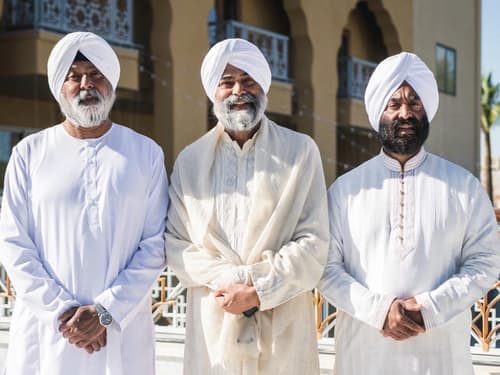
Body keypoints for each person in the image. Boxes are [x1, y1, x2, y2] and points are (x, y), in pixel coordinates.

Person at [318, 52, 500, 374]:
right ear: (379, 112)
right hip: (364, 357)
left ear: (426, 110)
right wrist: (379, 311)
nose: (405, 113)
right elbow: (325, 268)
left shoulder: (464, 187)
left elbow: (486, 262)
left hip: (441, 359)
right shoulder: (346, 190)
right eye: (394, 104)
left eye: (415, 103)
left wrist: (429, 309)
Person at [0, 31, 169, 374]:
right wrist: (63, 313)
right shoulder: (29, 154)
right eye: (73, 76)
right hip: (48, 333)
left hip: (121, 330)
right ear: (59, 87)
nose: (85, 85)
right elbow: (14, 244)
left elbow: (155, 246)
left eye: (96, 75)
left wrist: (106, 312)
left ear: (111, 84)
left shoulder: (145, 153)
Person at [165, 38, 329, 374]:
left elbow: (314, 244)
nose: (238, 90)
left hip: (283, 326)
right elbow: (177, 245)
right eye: (227, 82)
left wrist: (257, 290)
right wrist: (232, 281)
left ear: (263, 87)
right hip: (215, 321)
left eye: (248, 80)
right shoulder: (191, 161)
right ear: (214, 92)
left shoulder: (300, 153)